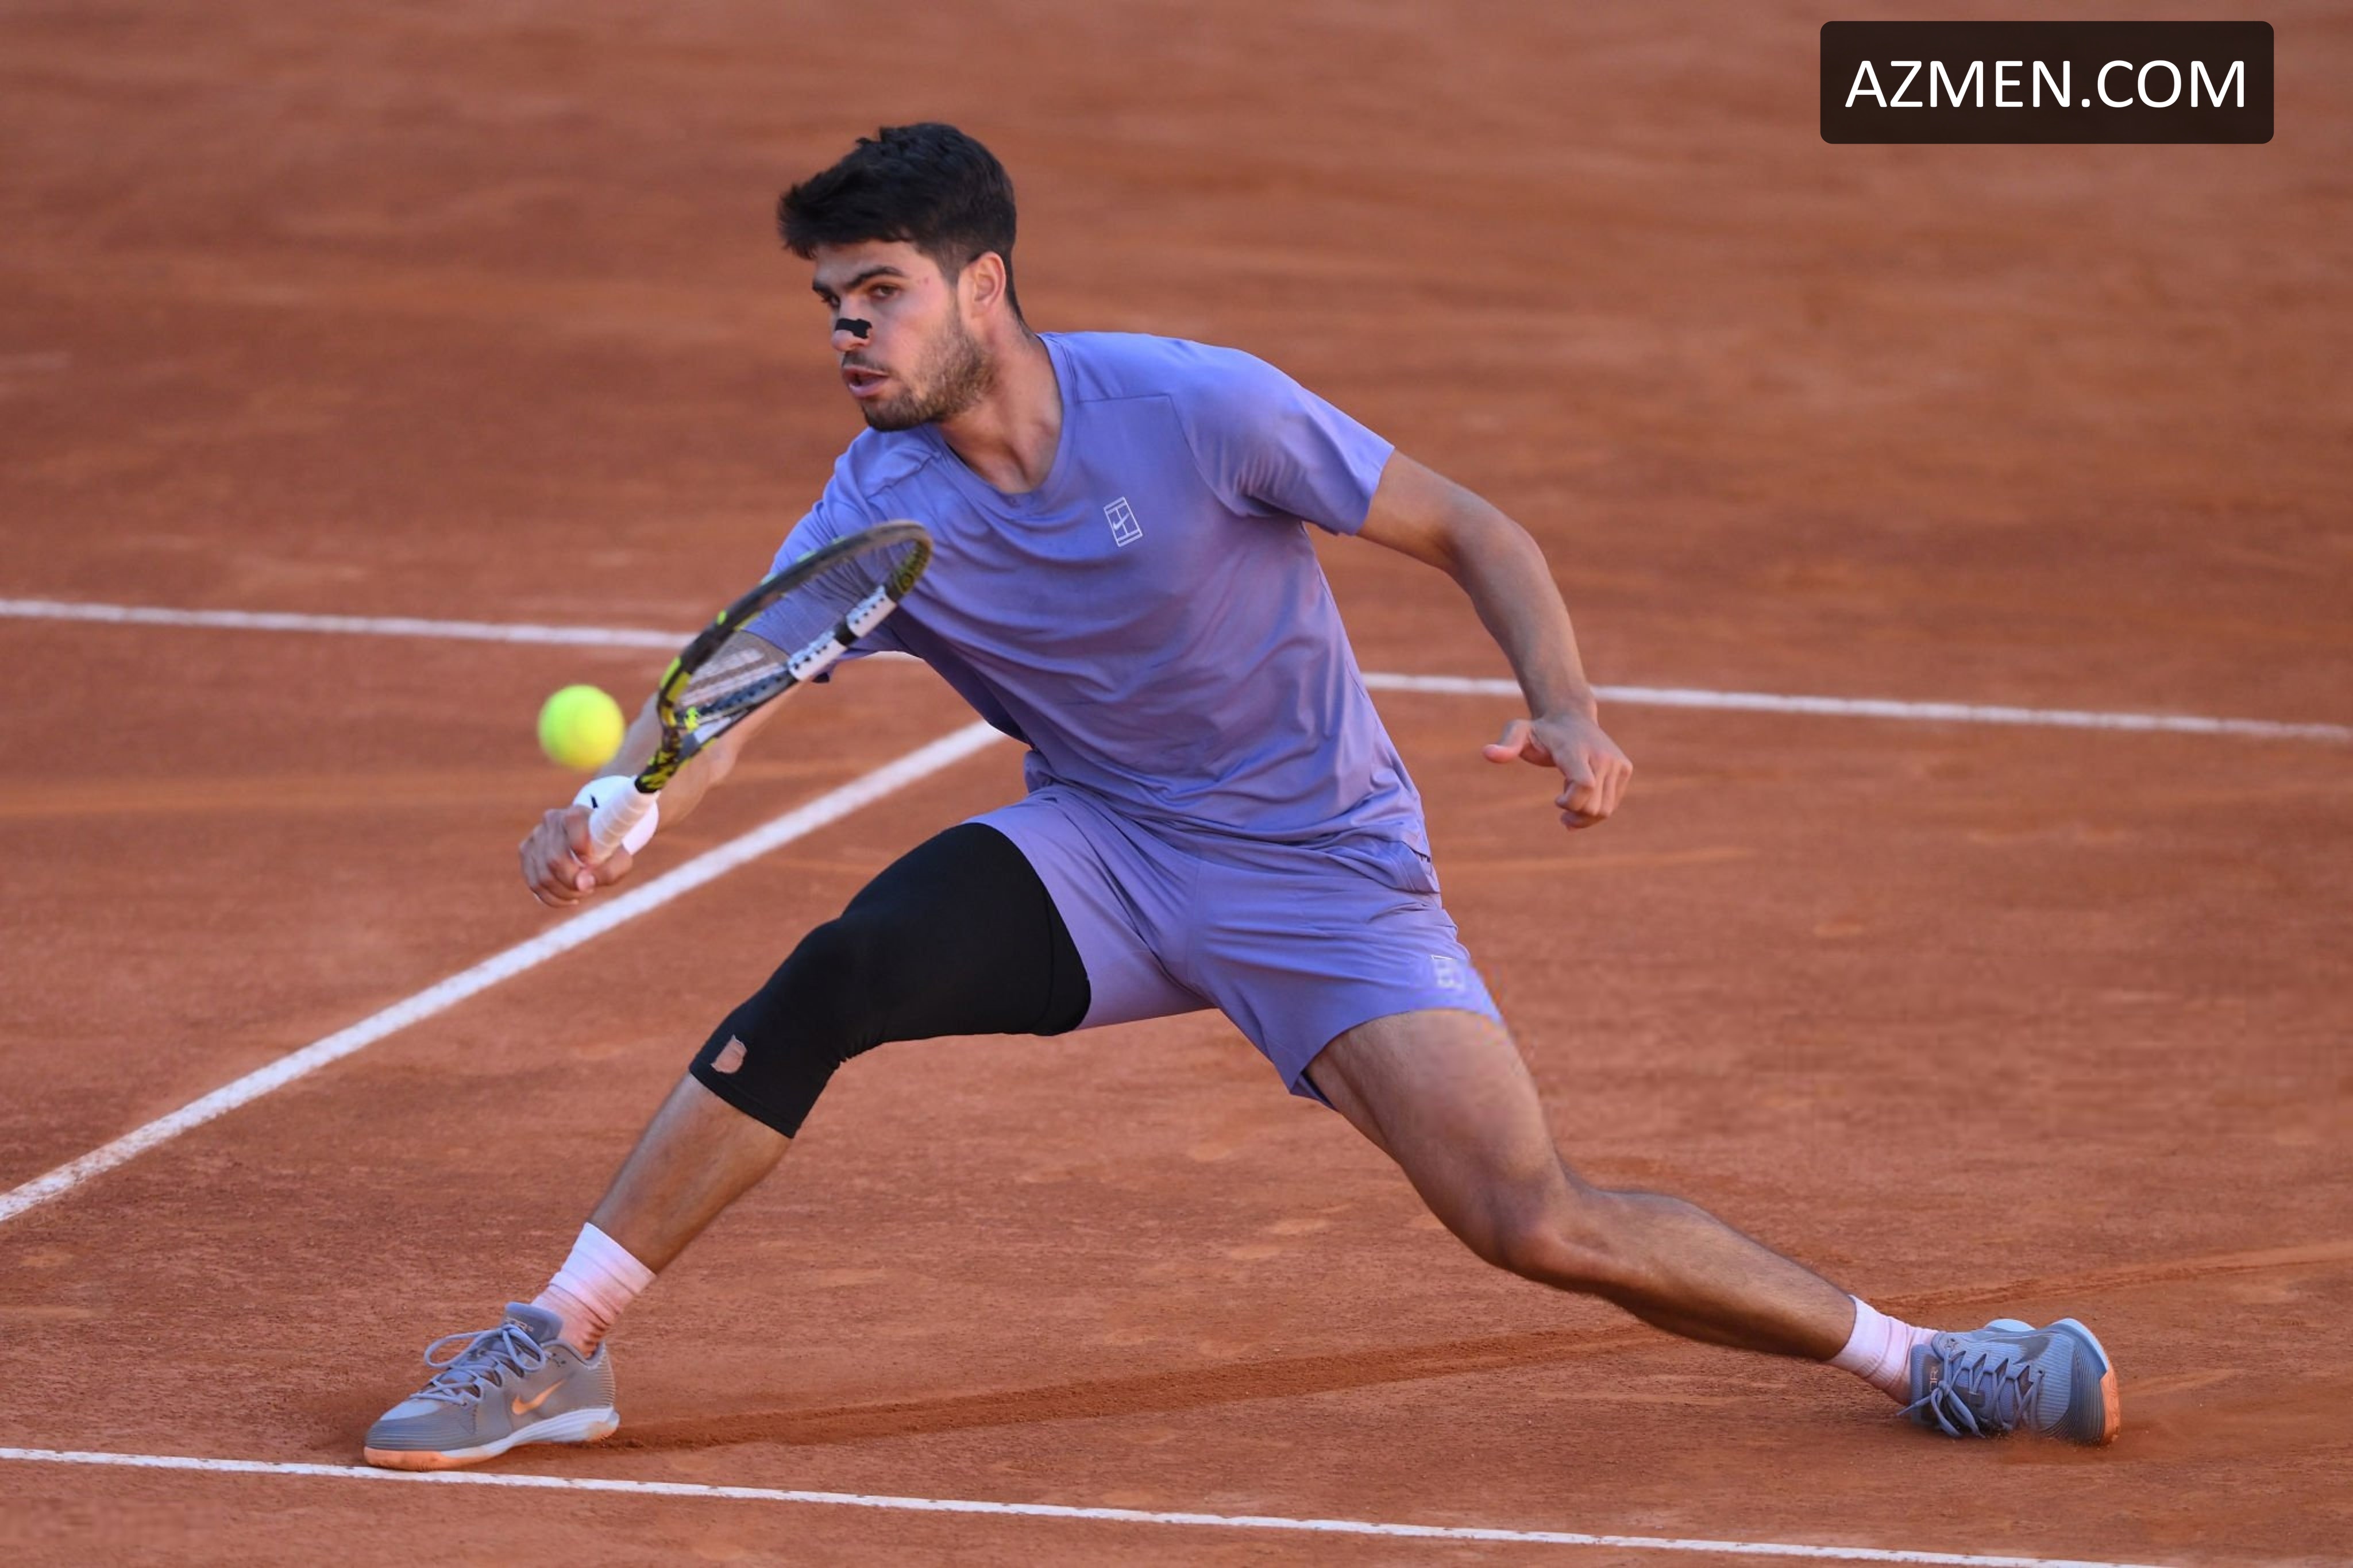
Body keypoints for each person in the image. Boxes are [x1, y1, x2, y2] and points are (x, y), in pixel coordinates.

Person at [361, 123, 2119, 1471]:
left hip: (1321, 870)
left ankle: (1926, 1358)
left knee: (1534, 1219)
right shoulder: (878, 502)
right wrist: (633, 794)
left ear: (984, 287)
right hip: (1107, 848)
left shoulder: (1199, 409)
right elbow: (744, 674)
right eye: (829, 301)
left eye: (878, 290)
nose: (846, 329)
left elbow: (1473, 527)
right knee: (844, 971)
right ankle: (560, 1341)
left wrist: (1564, 704)